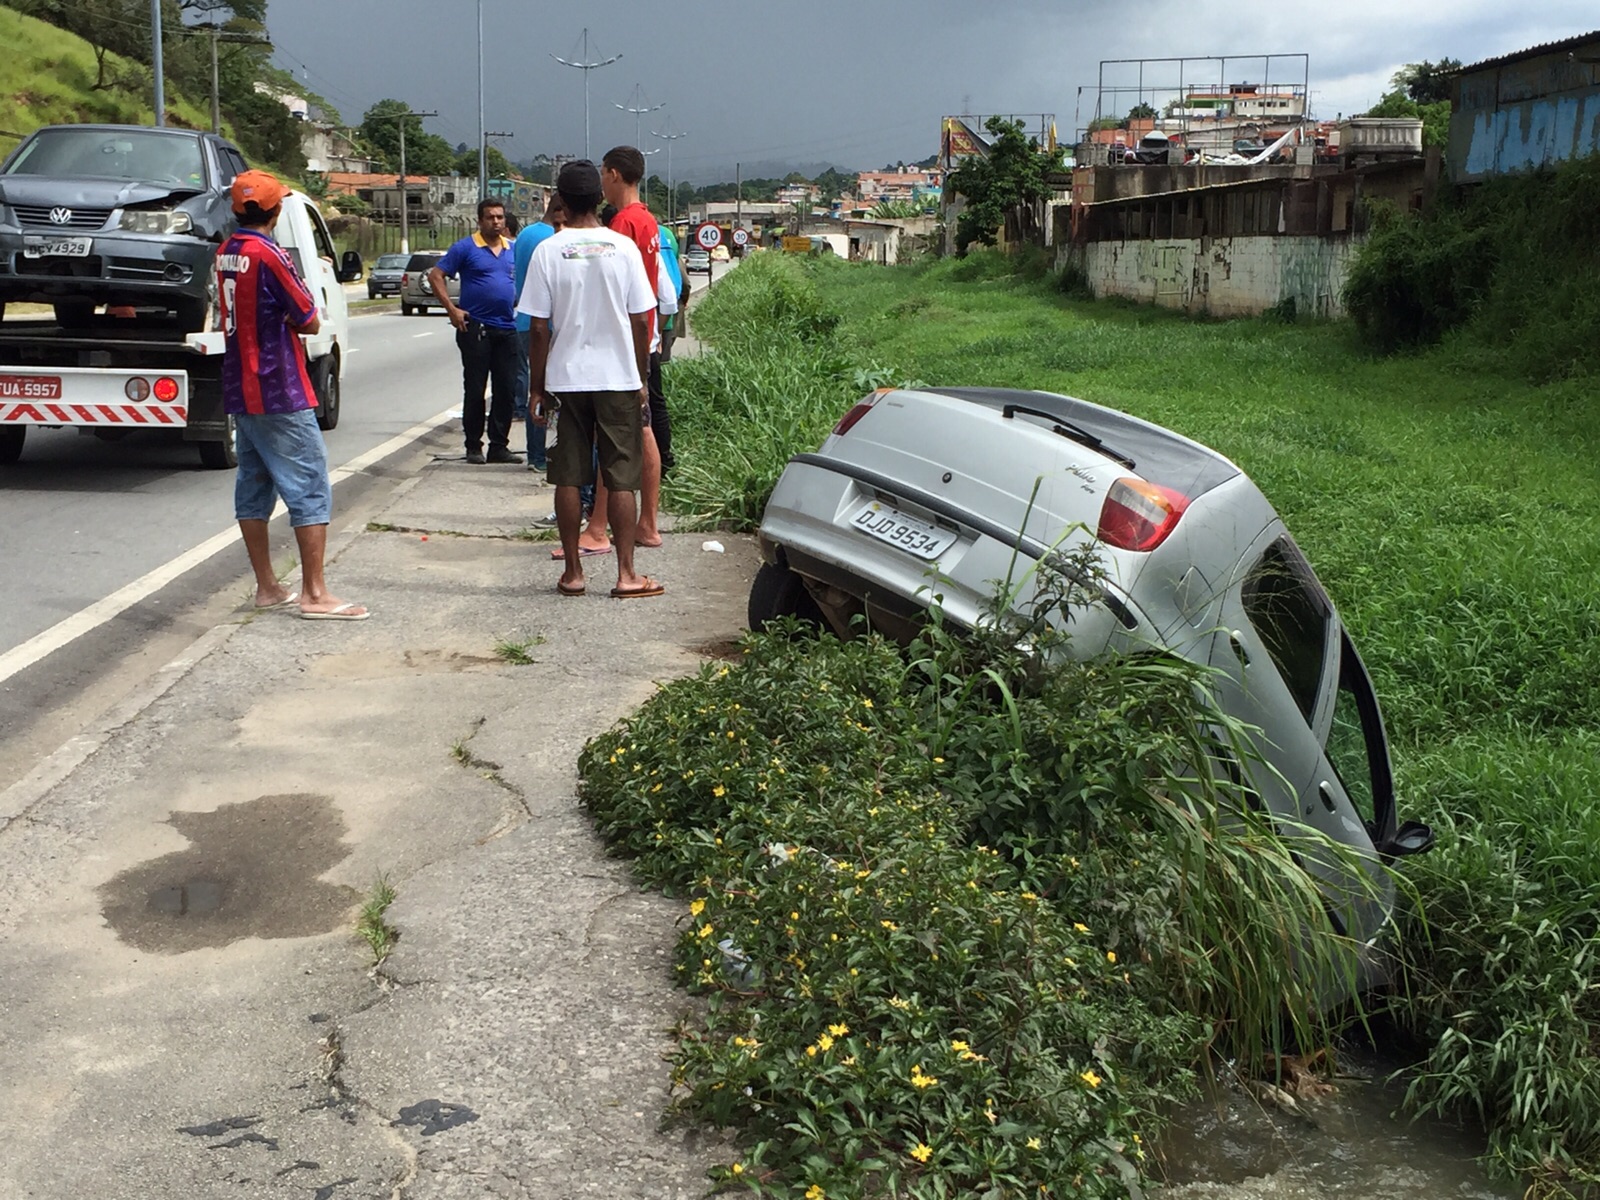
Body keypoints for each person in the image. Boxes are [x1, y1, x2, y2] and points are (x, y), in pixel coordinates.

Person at [216, 170, 367, 621]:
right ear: (276, 210)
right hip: (279, 385)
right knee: (310, 488)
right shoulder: (270, 255)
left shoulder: (226, 252)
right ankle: (315, 593)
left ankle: (266, 585)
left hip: (240, 385)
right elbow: (309, 319)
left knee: (254, 485)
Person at [519, 160, 662, 600]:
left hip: (566, 379)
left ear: (558, 200)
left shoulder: (548, 250)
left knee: (568, 472)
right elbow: (642, 320)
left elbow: (539, 327)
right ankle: (626, 575)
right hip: (617, 378)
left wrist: (537, 387)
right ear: (599, 198)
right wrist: (640, 376)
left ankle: (574, 574)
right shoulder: (622, 249)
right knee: (621, 476)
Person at [557, 145, 665, 558]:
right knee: (639, 431)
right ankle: (645, 522)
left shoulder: (622, 226)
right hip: (643, 341)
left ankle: (600, 526)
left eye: (603, 172)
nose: (601, 181)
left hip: (621, 347)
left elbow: (606, 286)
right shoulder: (648, 220)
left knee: (616, 441)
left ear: (615, 175)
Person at [430, 199, 522, 464]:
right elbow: (436, 276)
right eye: (490, 217)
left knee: (506, 388)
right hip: (476, 328)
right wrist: (452, 309)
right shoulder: (465, 248)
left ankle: (499, 445)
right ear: (480, 221)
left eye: (500, 217)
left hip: (507, 328)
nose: (496, 222)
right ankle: (473, 445)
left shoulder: (511, 249)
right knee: (475, 388)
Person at [512, 192, 568, 472]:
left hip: (523, 318)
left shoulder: (525, 235)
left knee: (533, 385)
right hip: (545, 324)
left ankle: (534, 453)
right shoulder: (553, 240)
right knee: (548, 391)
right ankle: (543, 455)